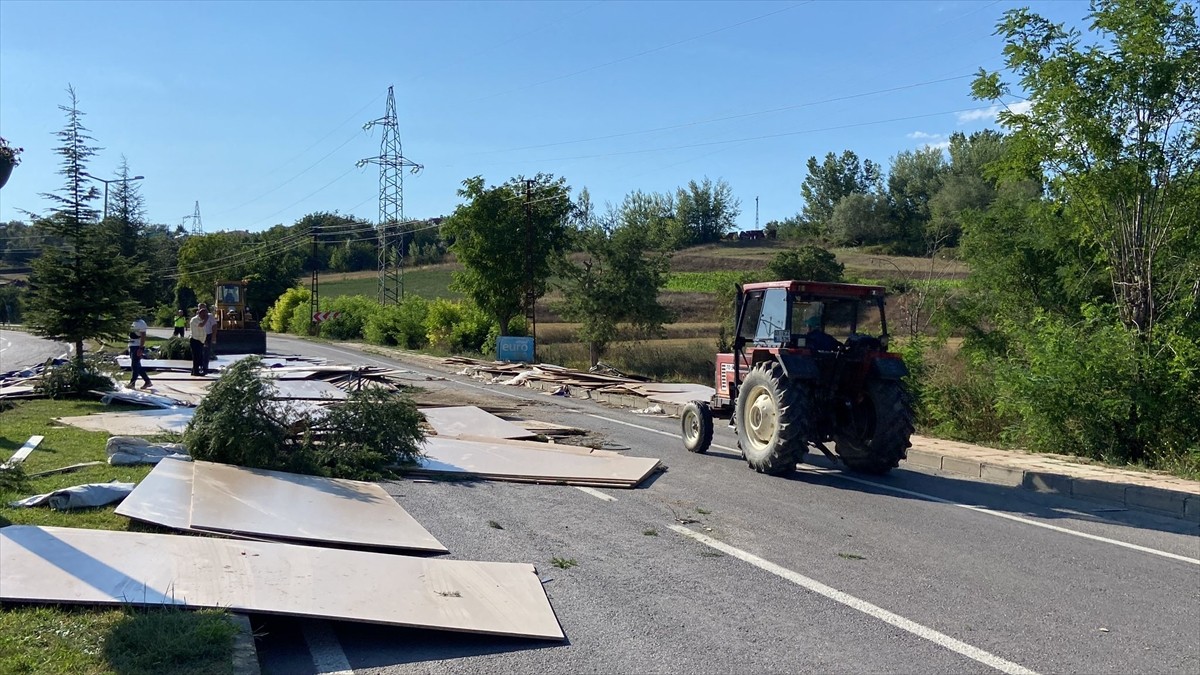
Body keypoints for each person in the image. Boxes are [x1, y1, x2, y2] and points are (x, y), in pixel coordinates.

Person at [128, 315, 153, 389]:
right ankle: (147, 381)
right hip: (131, 345)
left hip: (137, 345)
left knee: (134, 365)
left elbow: (143, 336)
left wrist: (141, 347)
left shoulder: (141, 323)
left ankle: (132, 383)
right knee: (137, 365)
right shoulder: (133, 322)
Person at [189, 305, 211, 376]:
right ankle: (196, 372)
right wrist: (207, 319)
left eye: (206, 315)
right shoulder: (194, 320)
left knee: (200, 356)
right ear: (200, 313)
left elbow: (203, 332)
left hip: (200, 341)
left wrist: (205, 341)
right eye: (204, 314)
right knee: (196, 356)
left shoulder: (202, 320)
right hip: (194, 340)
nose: (205, 316)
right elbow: (201, 325)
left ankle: (194, 370)